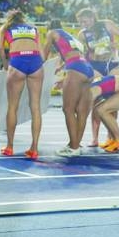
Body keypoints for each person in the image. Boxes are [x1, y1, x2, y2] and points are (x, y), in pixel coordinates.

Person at [76, 8, 119, 147]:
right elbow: (81, 54)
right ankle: (94, 138)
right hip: (95, 66)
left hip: (112, 64)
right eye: (81, 22)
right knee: (96, 101)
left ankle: (111, 136)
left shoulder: (107, 24)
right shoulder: (82, 35)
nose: (83, 24)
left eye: (85, 21)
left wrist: (116, 45)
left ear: (92, 18)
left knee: (113, 102)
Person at [0, 9, 44, 159]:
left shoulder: (5, 28)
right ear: (23, 19)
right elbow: (41, 53)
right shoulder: (33, 29)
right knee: (36, 107)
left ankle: (9, 147)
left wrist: (5, 64)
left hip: (17, 62)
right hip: (36, 63)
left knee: (12, 107)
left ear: (9, 18)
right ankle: (34, 148)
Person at [43, 19, 95, 156]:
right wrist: (62, 68)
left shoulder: (51, 33)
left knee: (68, 109)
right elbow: (74, 54)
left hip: (76, 68)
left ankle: (73, 147)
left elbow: (43, 56)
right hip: (88, 69)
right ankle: (75, 145)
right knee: (81, 111)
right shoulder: (70, 36)